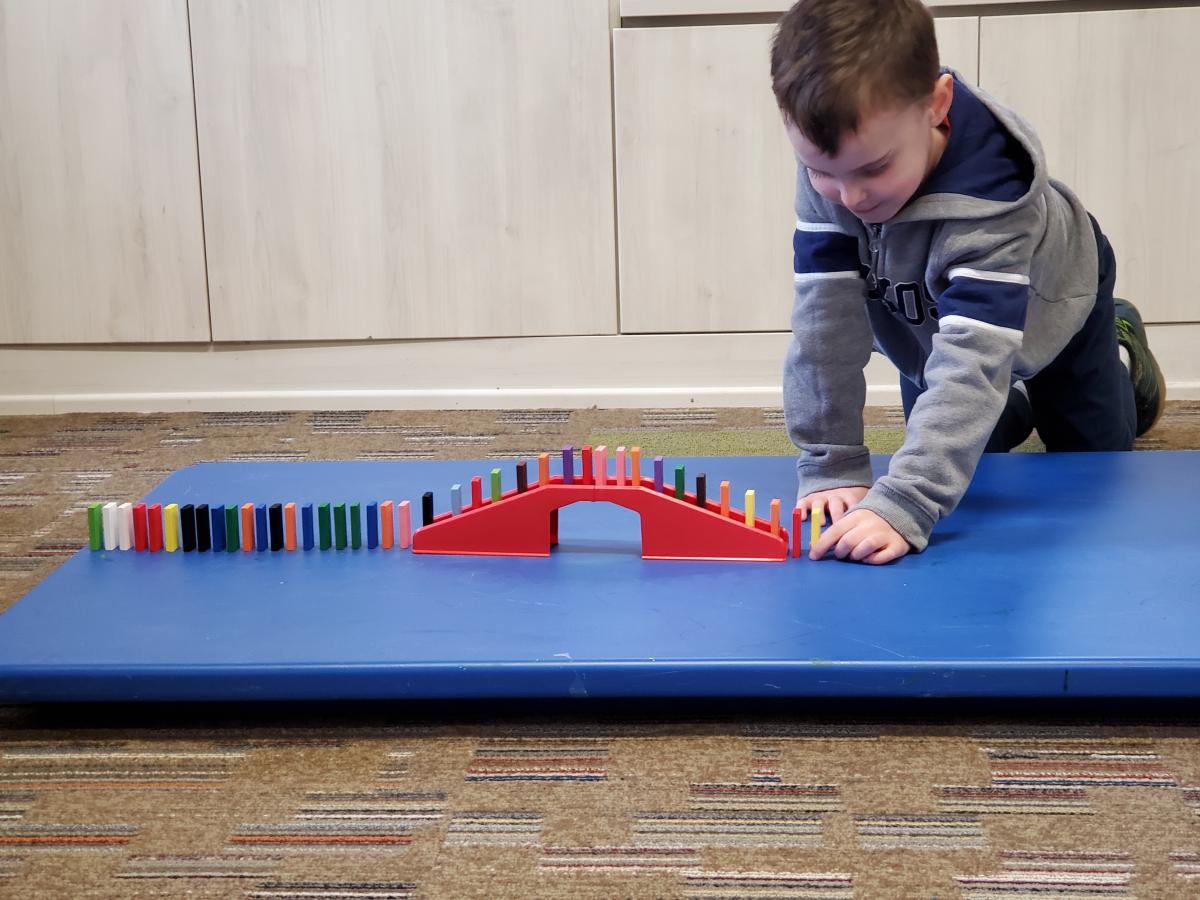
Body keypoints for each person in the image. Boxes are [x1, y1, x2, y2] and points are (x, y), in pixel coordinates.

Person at [772, 0, 1165, 564]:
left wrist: (905, 501)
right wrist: (830, 463)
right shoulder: (839, 161)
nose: (850, 198)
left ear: (937, 104)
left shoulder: (995, 198)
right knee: (973, 447)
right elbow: (823, 330)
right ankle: (1013, 401)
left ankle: (1120, 352)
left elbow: (972, 364)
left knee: (1091, 460)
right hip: (930, 315)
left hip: (1054, 301)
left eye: (874, 168)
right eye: (821, 172)